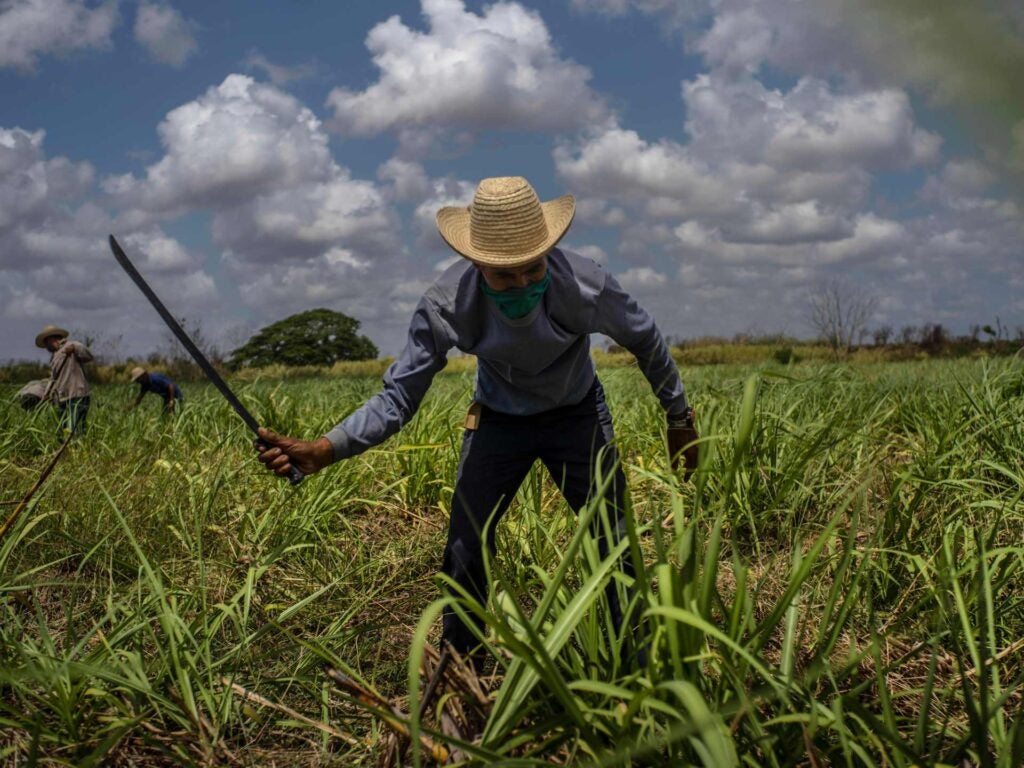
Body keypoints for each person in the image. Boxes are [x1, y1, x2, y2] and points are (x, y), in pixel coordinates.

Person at [254, 176, 699, 664]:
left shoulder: (587, 286)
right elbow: (398, 397)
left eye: (533, 268)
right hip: (499, 420)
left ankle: (632, 665)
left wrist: (679, 417)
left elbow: (646, 340)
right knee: (466, 544)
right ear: (477, 263)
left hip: (577, 414)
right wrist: (326, 448)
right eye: (504, 275)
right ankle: (461, 672)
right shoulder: (446, 304)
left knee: (612, 537)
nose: (522, 284)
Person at [36, 325, 93, 435]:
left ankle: (77, 444)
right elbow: (53, 378)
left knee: (75, 429)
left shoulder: (71, 345)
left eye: (46, 343)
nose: (46, 347)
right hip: (62, 398)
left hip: (77, 395)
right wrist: (47, 394)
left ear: (51, 339)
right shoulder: (54, 356)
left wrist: (75, 348)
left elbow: (89, 355)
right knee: (62, 429)